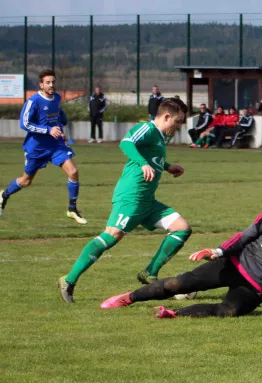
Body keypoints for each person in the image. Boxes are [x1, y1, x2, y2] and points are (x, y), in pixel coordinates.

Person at [100, 183, 262, 324]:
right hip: (232, 265)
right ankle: (128, 298)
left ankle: (173, 313)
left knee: (229, 311)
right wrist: (218, 251)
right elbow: (243, 237)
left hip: (255, 288)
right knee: (178, 283)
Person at [58, 98, 192, 303]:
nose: (179, 127)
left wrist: (167, 166)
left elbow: (152, 158)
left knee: (182, 228)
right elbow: (127, 142)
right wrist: (142, 163)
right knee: (111, 236)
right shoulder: (147, 128)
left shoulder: (158, 136)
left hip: (147, 200)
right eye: (178, 122)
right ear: (166, 116)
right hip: (130, 197)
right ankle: (69, 279)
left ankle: (149, 272)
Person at [0, 69, 86, 224]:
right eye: (48, 82)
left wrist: (60, 126)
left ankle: (72, 209)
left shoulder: (57, 98)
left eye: (53, 82)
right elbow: (24, 124)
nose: (51, 85)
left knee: (73, 172)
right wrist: (48, 130)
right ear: (41, 85)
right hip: (37, 148)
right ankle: (4, 195)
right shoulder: (33, 101)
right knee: (26, 181)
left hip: (55, 146)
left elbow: (57, 115)